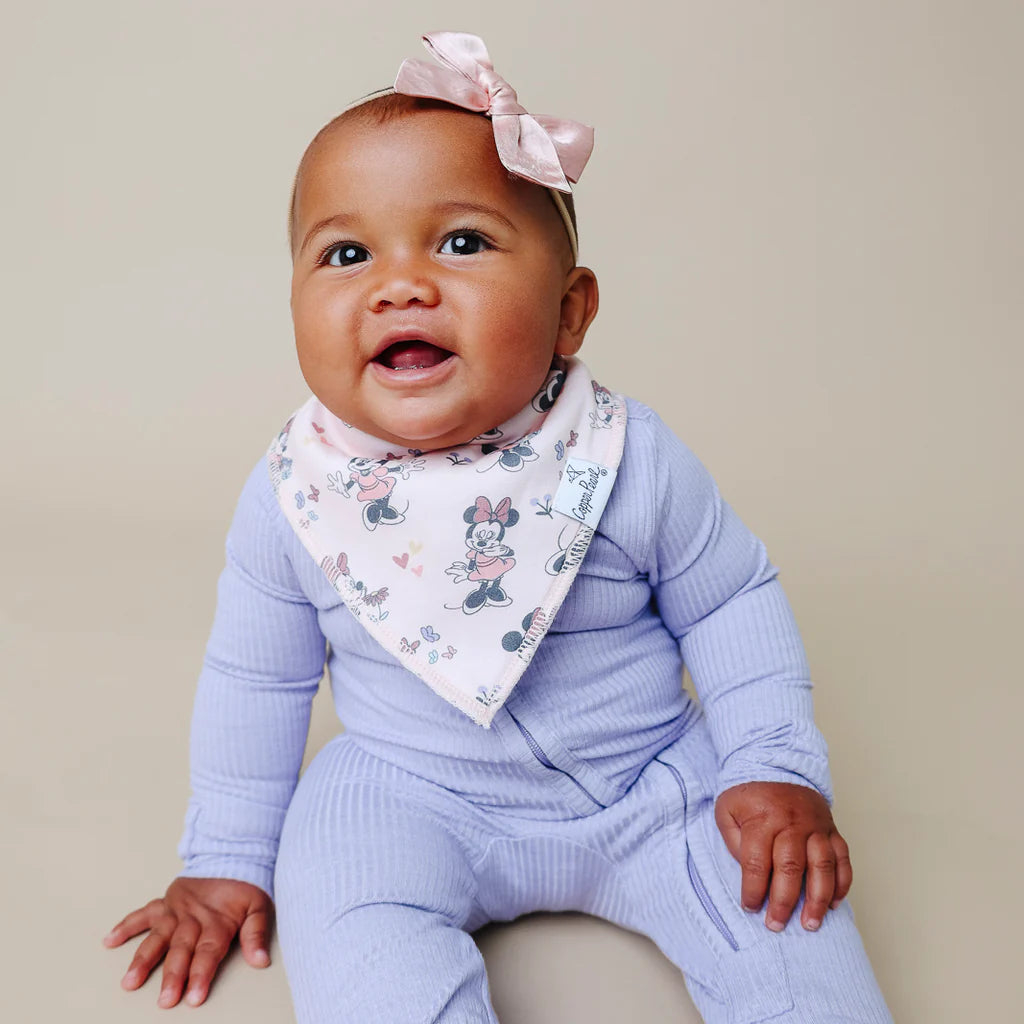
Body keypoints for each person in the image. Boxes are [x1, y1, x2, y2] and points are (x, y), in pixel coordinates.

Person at [103, 31, 892, 1024]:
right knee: (341, 898)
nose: (400, 285)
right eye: (346, 254)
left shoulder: (623, 455)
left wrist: (770, 766)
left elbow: (729, 601)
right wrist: (224, 858)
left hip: (651, 776)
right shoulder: (296, 493)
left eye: (462, 242)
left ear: (570, 312)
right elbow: (255, 680)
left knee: (787, 907)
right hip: (410, 790)